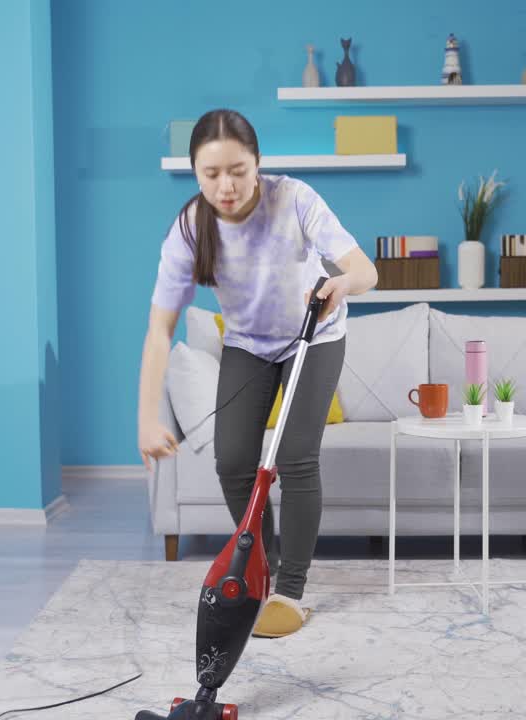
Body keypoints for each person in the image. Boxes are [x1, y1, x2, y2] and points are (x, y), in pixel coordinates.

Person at [137, 109, 378, 638]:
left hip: (314, 336)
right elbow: (160, 329)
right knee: (234, 462)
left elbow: (366, 269)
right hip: (249, 342)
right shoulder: (189, 227)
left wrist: (342, 285)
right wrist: (143, 418)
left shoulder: (294, 199)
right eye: (211, 173)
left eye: (238, 171)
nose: (226, 186)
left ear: (258, 164)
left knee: (294, 458)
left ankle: (290, 590)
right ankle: (261, 567)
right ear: (196, 173)